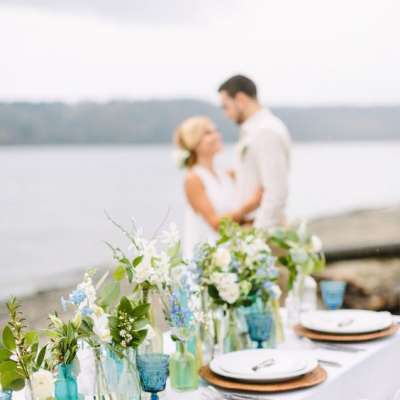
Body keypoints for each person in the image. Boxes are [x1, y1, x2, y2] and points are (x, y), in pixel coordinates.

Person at [173, 116, 262, 256]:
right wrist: (249, 206)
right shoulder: (193, 179)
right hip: (208, 259)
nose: (217, 135)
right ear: (194, 142)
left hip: (229, 255)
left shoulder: (225, 175)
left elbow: (235, 218)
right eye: (208, 133)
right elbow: (215, 224)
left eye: (216, 130)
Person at [218, 75, 291, 229]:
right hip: (249, 228)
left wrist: (257, 236)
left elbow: (276, 192)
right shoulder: (253, 131)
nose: (226, 114)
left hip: (262, 231)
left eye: (225, 106)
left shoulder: (266, 131)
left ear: (240, 99)